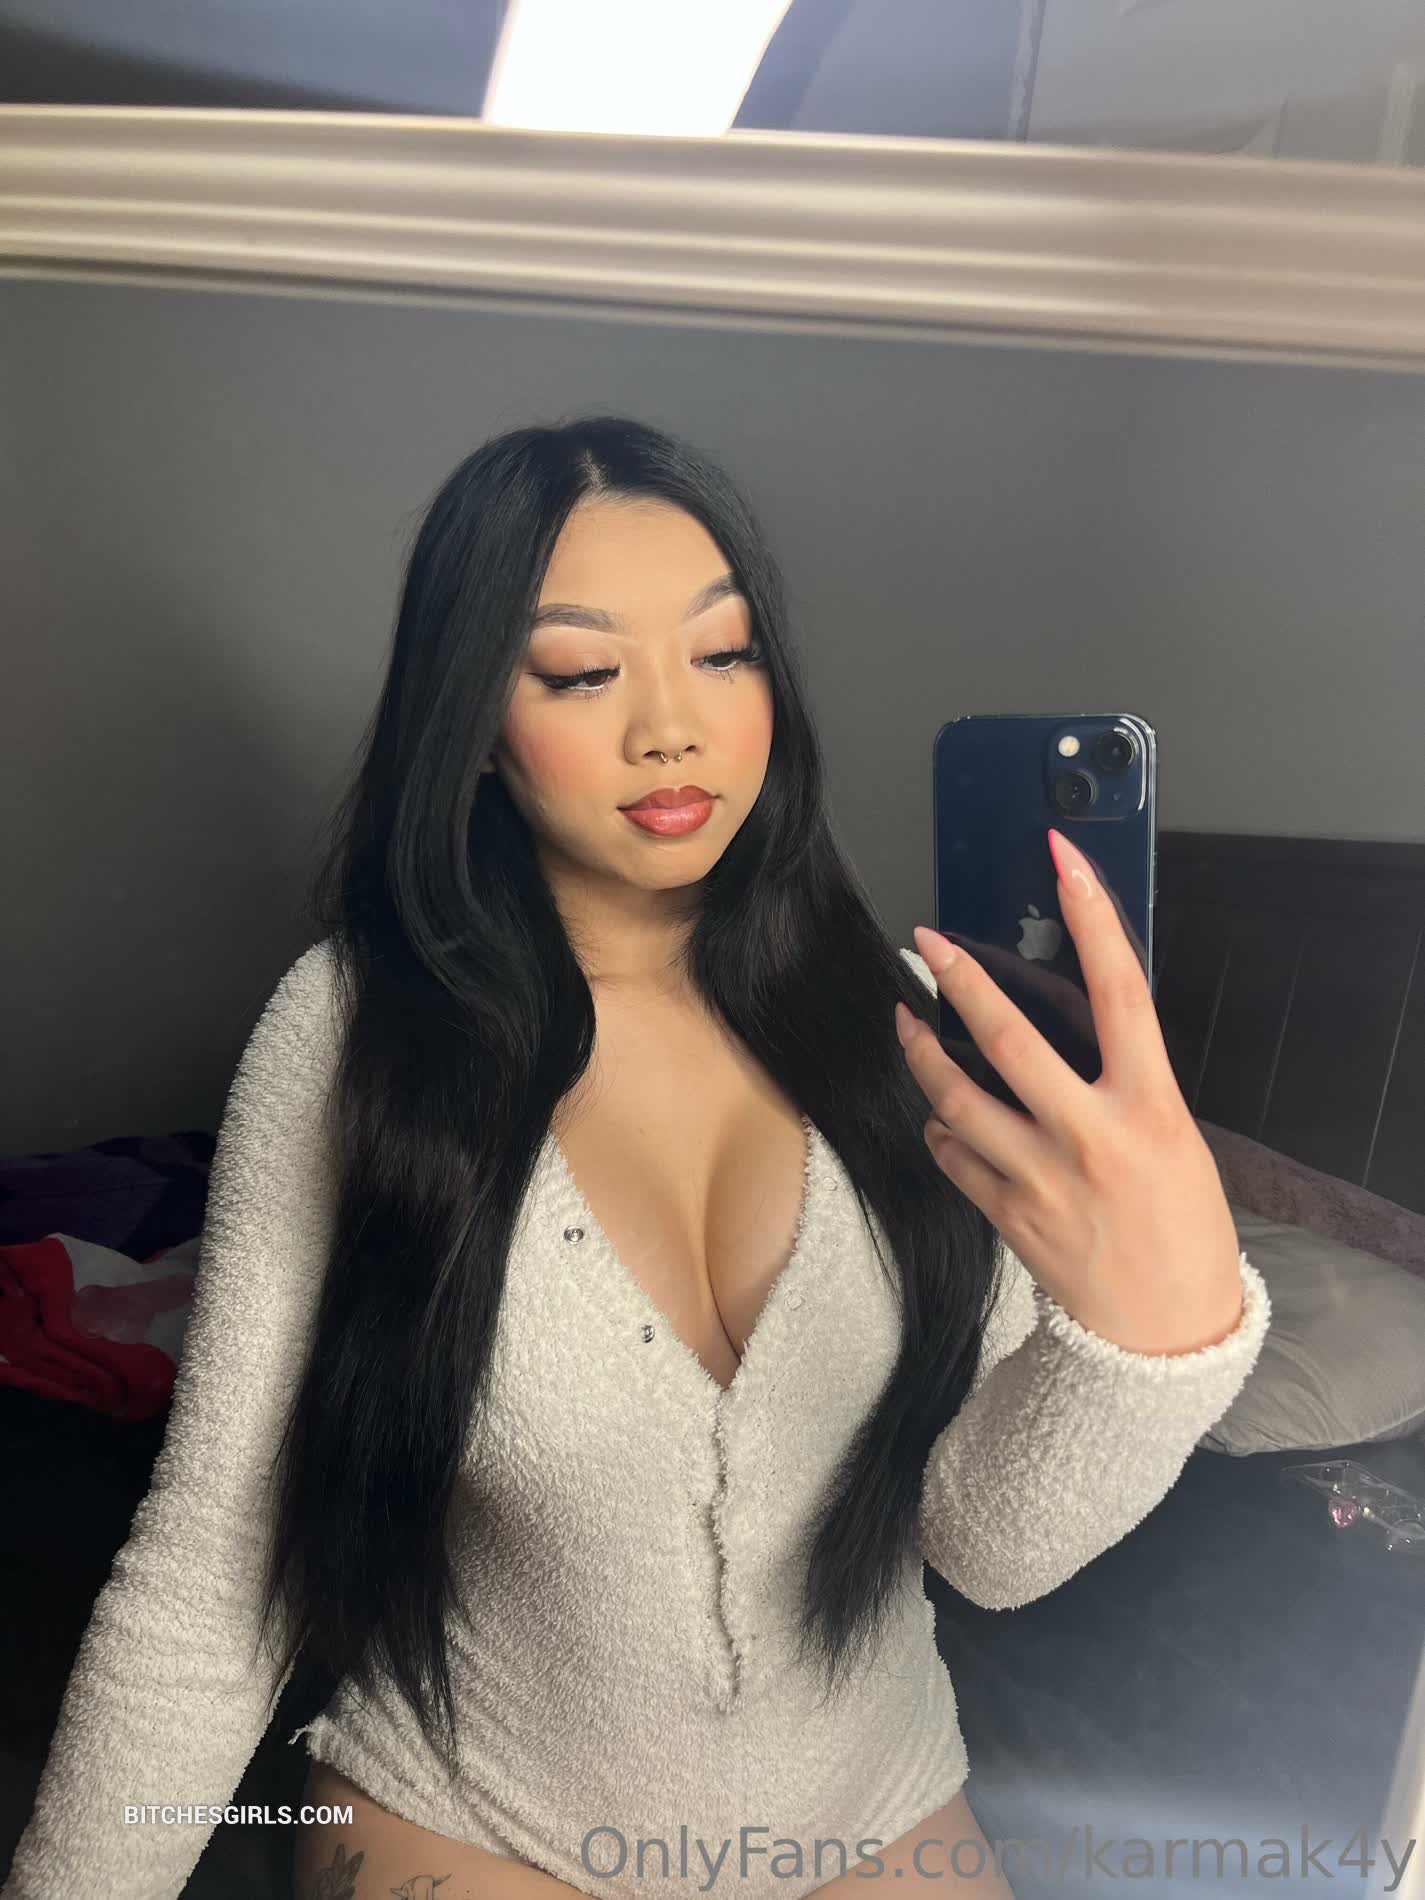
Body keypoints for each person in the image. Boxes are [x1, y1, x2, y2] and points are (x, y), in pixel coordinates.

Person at [3, 415, 1269, 1900]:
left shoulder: (910, 1030)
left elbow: (984, 1550)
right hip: (476, 1821)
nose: (670, 727)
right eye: (580, 672)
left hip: (869, 1811)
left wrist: (1154, 1340)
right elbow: (220, 1560)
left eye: (723, 654)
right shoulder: (356, 1033)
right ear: (476, 717)